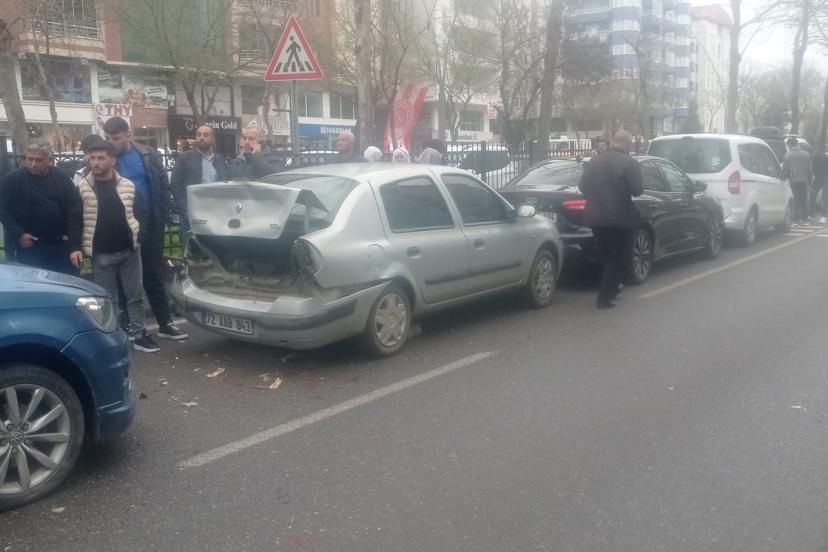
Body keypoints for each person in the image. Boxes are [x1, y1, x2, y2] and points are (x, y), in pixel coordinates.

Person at [103, 116, 188, 341]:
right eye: (108, 138)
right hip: (123, 227)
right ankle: (130, 325)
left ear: (128, 135)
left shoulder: (148, 154)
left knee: (154, 274)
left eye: (116, 138)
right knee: (124, 278)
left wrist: (164, 216)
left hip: (151, 223)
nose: (112, 142)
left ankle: (165, 323)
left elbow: (162, 185)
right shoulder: (109, 159)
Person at [77, 141, 159, 353]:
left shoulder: (127, 185)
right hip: (101, 254)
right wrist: (80, 246)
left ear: (112, 160)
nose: (95, 162)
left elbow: (141, 211)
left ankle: (139, 335)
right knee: (107, 300)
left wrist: (138, 237)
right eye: (92, 158)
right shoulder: (83, 187)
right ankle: (112, 338)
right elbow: (76, 218)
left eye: (101, 158)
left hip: (129, 251)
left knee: (135, 297)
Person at [578, 129, 643, 310]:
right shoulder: (630, 163)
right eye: (631, 145)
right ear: (627, 144)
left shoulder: (594, 161)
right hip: (620, 218)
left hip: (595, 217)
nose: (631, 148)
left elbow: (582, 186)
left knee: (607, 256)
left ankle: (612, 289)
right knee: (619, 257)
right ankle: (605, 297)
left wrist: (596, 198)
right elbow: (637, 190)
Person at [0, 139, 83, 275]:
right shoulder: (13, 179)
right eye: (30, 159)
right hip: (29, 247)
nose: (33, 164)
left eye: (39, 160)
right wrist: (18, 234)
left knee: (64, 282)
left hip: (60, 245)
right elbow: (3, 209)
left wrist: (74, 243)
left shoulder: (61, 177)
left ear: (49, 160)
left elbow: (74, 210)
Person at [170, 125, 228, 235]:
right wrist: (185, 210)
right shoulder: (185, 158)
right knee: (191, 244)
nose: (201, 138)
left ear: (213, 139)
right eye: (198, 135)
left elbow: (225, 184)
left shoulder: (219, 160)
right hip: (192, 213)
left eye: (206, 135)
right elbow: (175, 185)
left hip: (216, 214)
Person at [783, 136, 813, 225]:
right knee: (804, 200)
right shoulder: (806, 154)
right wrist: (810, 181)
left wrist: (784, 177)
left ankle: (796, 219)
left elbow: (785, 170)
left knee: (795, 200)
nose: (788, 147)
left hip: (793, 181)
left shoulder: (787, 155)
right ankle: (805, 219)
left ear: (790, 145)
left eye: (788, 145)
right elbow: (810, 170)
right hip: (804, 181)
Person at [809, 148, 828, 224]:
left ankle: (820, 215)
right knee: (823, 196)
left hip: (823, 176)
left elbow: (812, 169)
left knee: (822, 196)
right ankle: (822, 216)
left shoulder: (813, 157)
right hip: (820, 176)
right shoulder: (815, 157)